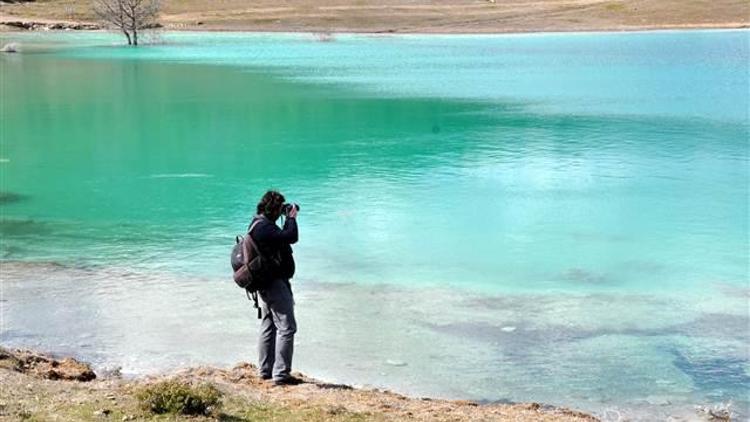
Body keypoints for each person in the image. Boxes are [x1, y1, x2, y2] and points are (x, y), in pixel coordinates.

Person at [248, 190, 301, 386]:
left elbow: (283, 237)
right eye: (280, 209)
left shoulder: (258, 224)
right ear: (274, 209)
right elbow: (291, 236)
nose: (282, 212)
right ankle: (281, 375)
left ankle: (265, 371)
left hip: (265, 283)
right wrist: (292, 218)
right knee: (287, 328)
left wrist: (287, 218)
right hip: (274, 284)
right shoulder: (264, 228)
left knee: (269, 324)